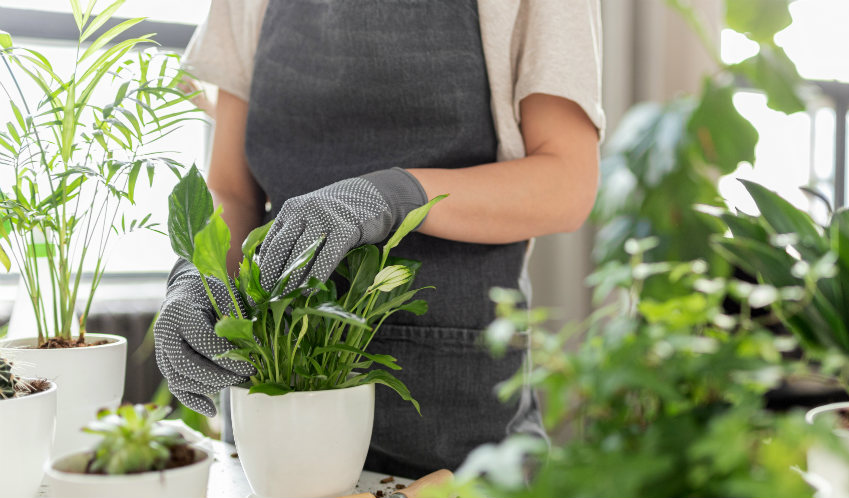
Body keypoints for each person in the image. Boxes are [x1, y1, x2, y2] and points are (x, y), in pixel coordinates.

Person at [154, 0, 604, 478]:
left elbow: (567, 182)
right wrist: (197, 276)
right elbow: (231, 189)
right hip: (274, 419)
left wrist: (398, 195)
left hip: (457, 417)